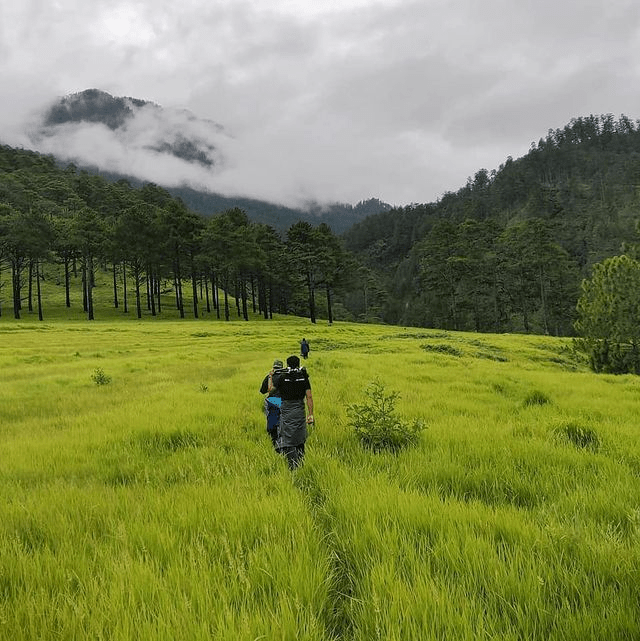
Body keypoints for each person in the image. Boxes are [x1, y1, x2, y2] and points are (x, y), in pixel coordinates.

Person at [269, 355, 314, 470]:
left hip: (286, 410)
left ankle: (292, 466)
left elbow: (271, 390)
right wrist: (310, 414)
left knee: (288, 438)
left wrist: (270, 376)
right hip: (299, 410)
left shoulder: (283, 377)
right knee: (300, 437)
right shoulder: (303, 377)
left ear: (287, 364)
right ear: (298, 364)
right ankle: (301, 462)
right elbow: (309, 396)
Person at [259, 359, 283, 449]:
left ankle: (274, 442)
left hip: (273, 401)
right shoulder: (285, 377)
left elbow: (262, 391)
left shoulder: (269, 377)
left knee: (272, 422)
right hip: (285, 402)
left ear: (273, 368)